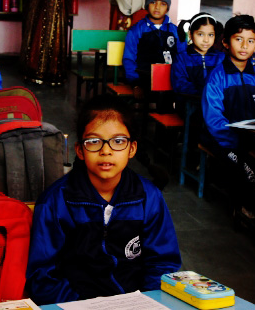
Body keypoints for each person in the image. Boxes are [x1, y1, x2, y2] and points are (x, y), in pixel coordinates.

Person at [26, 95, 182, 304]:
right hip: (76, 305)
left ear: (132, 149)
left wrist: (145, 302)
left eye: (118, 141)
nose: (106, 151)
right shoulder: (55, 202)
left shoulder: (148, 198)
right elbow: (42, 276)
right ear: (80, 150)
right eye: (94, 141)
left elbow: (163, 263)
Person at [202, 15, 255, 216]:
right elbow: (214, 119)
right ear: (226, 42)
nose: (245, 46)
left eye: (251, 41)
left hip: (253, 140)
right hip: (223, 140)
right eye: (239, 39)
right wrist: (234, 141)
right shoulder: (217, 77)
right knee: (246, 169)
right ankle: (243, 210)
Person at [122, 0, 179, 98]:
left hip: (170, 79)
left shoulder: (174, 31)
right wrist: (135, 84)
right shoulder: (136, 30)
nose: (157, 7)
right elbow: (129, 59)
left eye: (163, 4)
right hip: (143, 79)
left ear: (167, 8)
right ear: (147, 5)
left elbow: (182, 56)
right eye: (153, 2)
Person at [171, 12, 225, 96]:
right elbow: (179, 85)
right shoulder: (182, 58)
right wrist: (207, 91)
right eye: (200, 34)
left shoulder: (221, 58)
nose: (206, 40)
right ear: (190, 34)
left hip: (215, 101)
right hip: (189, 101)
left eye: (210, 35)